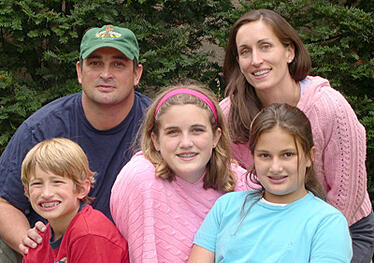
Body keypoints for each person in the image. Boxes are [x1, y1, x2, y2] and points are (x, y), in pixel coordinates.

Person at [219, 9, 373, 262]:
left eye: (265, 46)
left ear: (289, 52)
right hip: (266, 228)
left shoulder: (330, 107)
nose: (255, 60)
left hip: (343, 226)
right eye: (245, 51)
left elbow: (348, 194)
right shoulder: (229, 113)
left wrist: (300, 241)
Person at [0, 25, 151, 263]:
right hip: (53, 249)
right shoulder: (40, 129)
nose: (106, 74)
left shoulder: (160, 127)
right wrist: (32, 246)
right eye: (95, 63)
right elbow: (4, 201)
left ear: (137, 74)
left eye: (119, 64)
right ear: (80, 71)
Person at [189, 103, 353, 262]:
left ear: (310, 156)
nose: (275, 167)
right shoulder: (225, 207)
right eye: (265, 155)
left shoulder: (327, 223)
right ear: (253, 157)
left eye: (287, 155)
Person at [110, 81, 252, 262]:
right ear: (155, 140)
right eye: (173, 132)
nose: (185, 143)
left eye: (197, 130)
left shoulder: (242, 184)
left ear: (216, 136)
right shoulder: (139, 179)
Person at [21, 138, 129, 263]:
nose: (46, 193)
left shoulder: (90, 234)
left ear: (81, 189)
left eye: (57, 182)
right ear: (27, 191)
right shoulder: (37, 241)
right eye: (37, 184)